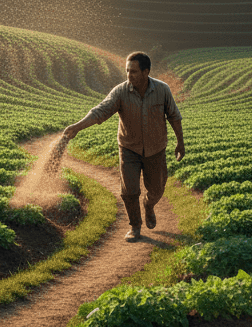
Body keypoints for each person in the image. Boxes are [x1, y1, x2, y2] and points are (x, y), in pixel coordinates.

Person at [62, 51, 184, 241]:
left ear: (146, 72)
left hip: (155, 149)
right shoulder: (120, 91)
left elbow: (174, 117)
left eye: (134, 71)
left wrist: (180, 142)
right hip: (129, 148)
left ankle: (149, 205)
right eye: (127, 71)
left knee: (157, 188)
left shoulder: (162, 90)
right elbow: (100, 111)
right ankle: (135, 226)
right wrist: (78, 126)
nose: (129, 75)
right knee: (129, 190)